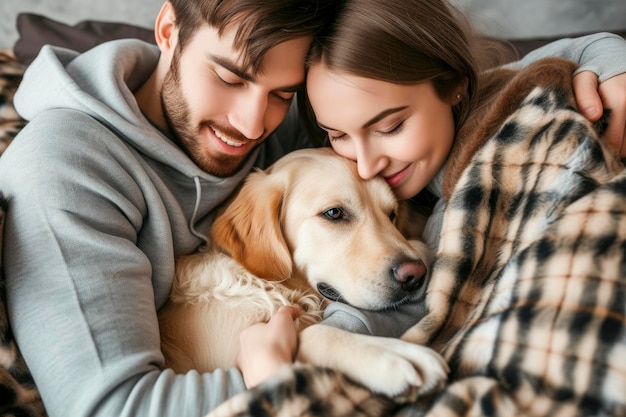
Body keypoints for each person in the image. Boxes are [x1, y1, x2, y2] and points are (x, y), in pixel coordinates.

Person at [0, 0, 625, 416]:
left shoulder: (307, 121)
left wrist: (613, 66)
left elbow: (484, 71)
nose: (252, 124)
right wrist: (300, 359)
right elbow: (113, 409)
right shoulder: (65, 168)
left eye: (281, 93)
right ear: (168, 31)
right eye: (229, 77)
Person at [296, 0, 626, 346]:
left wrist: (613, 63)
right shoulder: (414, 153)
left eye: (390, 127)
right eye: (338, 135)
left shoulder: (496, 142)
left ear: (457, 85)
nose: (366, 166)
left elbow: (547, 65)